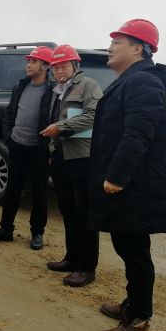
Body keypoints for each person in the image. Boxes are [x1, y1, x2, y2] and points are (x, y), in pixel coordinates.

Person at [89, 20, 166, 331]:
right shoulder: (130, 80)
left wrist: (116, 176)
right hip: (131, 185)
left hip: (137, 187)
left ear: (138, 48)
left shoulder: (143, 81)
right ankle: (132, 303)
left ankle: (138, 322)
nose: (110, 47)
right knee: (127, 247)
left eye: (118, 42)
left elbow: (137, 134)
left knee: (135, 252)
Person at [40, 45, 103, 287]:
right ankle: (71, 258)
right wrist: (51, 151)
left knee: (84, 213)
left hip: (82, 158)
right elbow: (51, 120)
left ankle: (86, 268)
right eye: (55, 67)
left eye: (64, 66)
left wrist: (61, 128)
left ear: (75, 66)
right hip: (60, 158)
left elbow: (94, 116)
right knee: (67, 211)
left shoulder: (88, 85)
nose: (59, 71)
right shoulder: (56, 91)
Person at [0, 46, 54, 249]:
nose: (28, 65)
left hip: (38, 150)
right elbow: (9, 113)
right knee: (12, 190)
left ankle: (37, 233)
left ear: (45, 66)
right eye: (28, 61)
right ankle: (5, 230)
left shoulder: (52, 91)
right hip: (17, 146)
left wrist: (48, 148)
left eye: (33, 61)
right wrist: (9, 138)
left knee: (39, 193)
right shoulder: (20, 86)